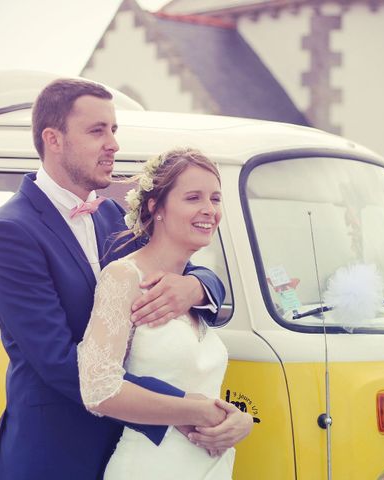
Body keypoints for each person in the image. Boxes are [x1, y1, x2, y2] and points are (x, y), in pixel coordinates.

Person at [0, 79, 227, 479]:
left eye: (114, 130)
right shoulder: (10, 232)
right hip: (56, 452)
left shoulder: (111, 217)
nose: (112, 143)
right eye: (97, 131)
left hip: (128, 449)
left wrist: (197, 287)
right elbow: (58, 362)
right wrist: (184, 407)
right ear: (53, 139)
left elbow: (177, 261)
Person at [77, 148, 254, 479]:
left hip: (210, 468)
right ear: (155, 206)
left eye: (215, 199)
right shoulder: (124, 277)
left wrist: (238, 422)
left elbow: (201, 384)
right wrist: (195, 411)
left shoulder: (193, 287)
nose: (209, 210)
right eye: (193, 197)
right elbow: (98, 389)